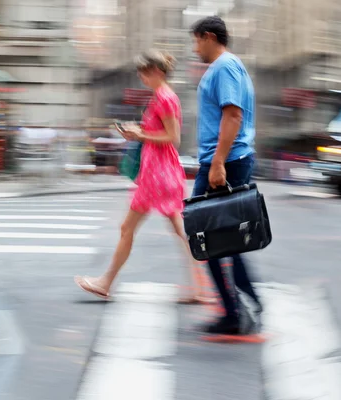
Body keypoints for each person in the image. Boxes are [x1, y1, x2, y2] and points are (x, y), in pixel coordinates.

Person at [75, 50, 211, 304]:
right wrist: (137, 131)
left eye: (143, 72)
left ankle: (105, 282)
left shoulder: (165, 98)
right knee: (181, 231)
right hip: (159, 172)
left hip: (158, 174)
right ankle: (201, 288)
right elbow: (160, 133)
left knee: (130, 228)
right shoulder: (162, 97)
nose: (140, 77)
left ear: (157, 71)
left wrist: (140, 135)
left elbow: (173, 137)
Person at [190, 16, 263, 334]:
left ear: (208, 36)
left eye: (196, 41)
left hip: (224, 163)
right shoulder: (230, 66)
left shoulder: (224, 67)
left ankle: (237, 309)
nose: (195, 49)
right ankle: (246, 301)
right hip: (225, 161)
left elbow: (233, 114)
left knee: (208, 237)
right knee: (224, 239)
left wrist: (218, 163)